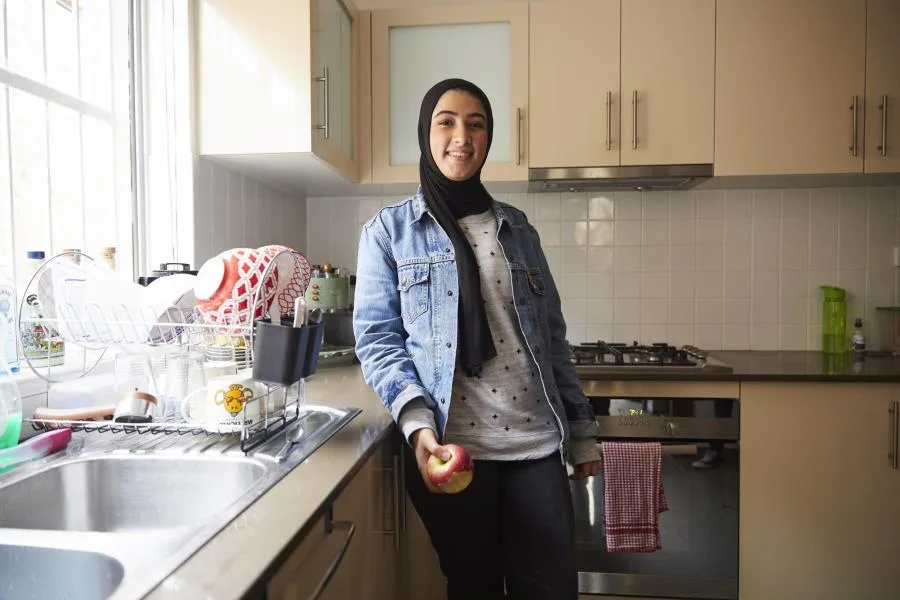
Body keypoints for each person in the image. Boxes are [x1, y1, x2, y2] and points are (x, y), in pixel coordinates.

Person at [353, 78, 602, 600]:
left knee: (552, 590)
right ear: (426, 134)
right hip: (449, 446)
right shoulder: (387, 232)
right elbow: (378, 340)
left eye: (476, 123)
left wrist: (581, 430)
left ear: (489, 138)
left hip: (535, 445)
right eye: (446, 122)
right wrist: (419, 430)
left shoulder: (518, 228)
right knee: (474, 588)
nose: (461, 136)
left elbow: (552, 339)